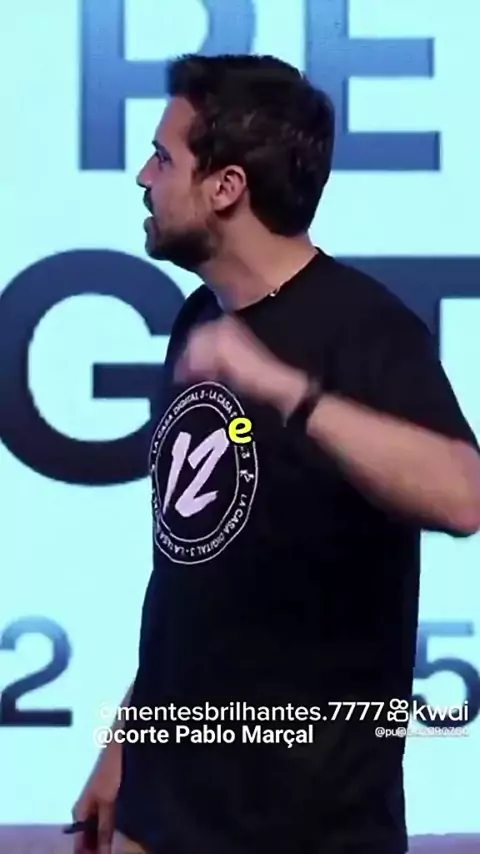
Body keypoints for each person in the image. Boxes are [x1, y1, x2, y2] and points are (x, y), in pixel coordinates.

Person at [72, 53, 480, 854]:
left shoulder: (365, 328)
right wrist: (126, 745)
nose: (143, 177)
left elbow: (465, 496)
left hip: (306, 827)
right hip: (165, 813)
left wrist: (285, 389)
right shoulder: (201, 319)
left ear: (226, 187)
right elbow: (198, 573)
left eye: (163, 158)